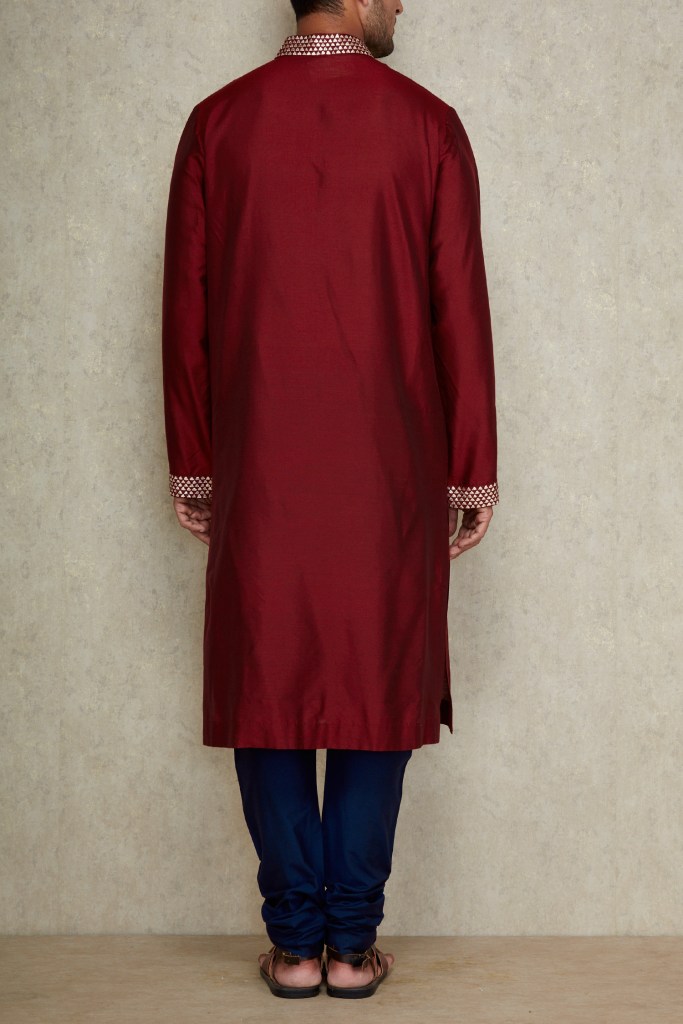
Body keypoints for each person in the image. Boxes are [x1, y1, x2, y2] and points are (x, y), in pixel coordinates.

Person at [161, 0, 499, 1000]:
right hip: (389, 469)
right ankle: (351, 948)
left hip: (261, 462)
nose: (400, 3)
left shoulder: (217, 124)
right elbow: (458, 310)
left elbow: (186, 312)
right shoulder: (426, 125)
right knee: (372, 686)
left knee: (267, 686)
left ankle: (295, 948)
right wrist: (470, 468)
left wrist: (195, 462)